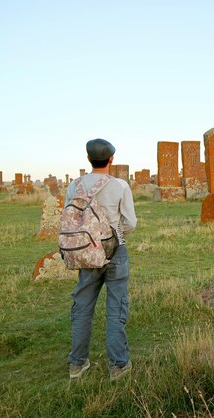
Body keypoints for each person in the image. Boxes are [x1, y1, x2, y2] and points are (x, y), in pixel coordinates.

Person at [66, 138, 137, 381]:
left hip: (86, 253)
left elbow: (71, 219)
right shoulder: (120, 186)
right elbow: (131, 222)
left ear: (88, 159)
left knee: (83, 306)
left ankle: (77, 363)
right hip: (115, 251)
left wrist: (91, 241)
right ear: (111, 159)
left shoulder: (74, 186)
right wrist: (113, 235)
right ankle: (118, 365)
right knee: (116, 306)